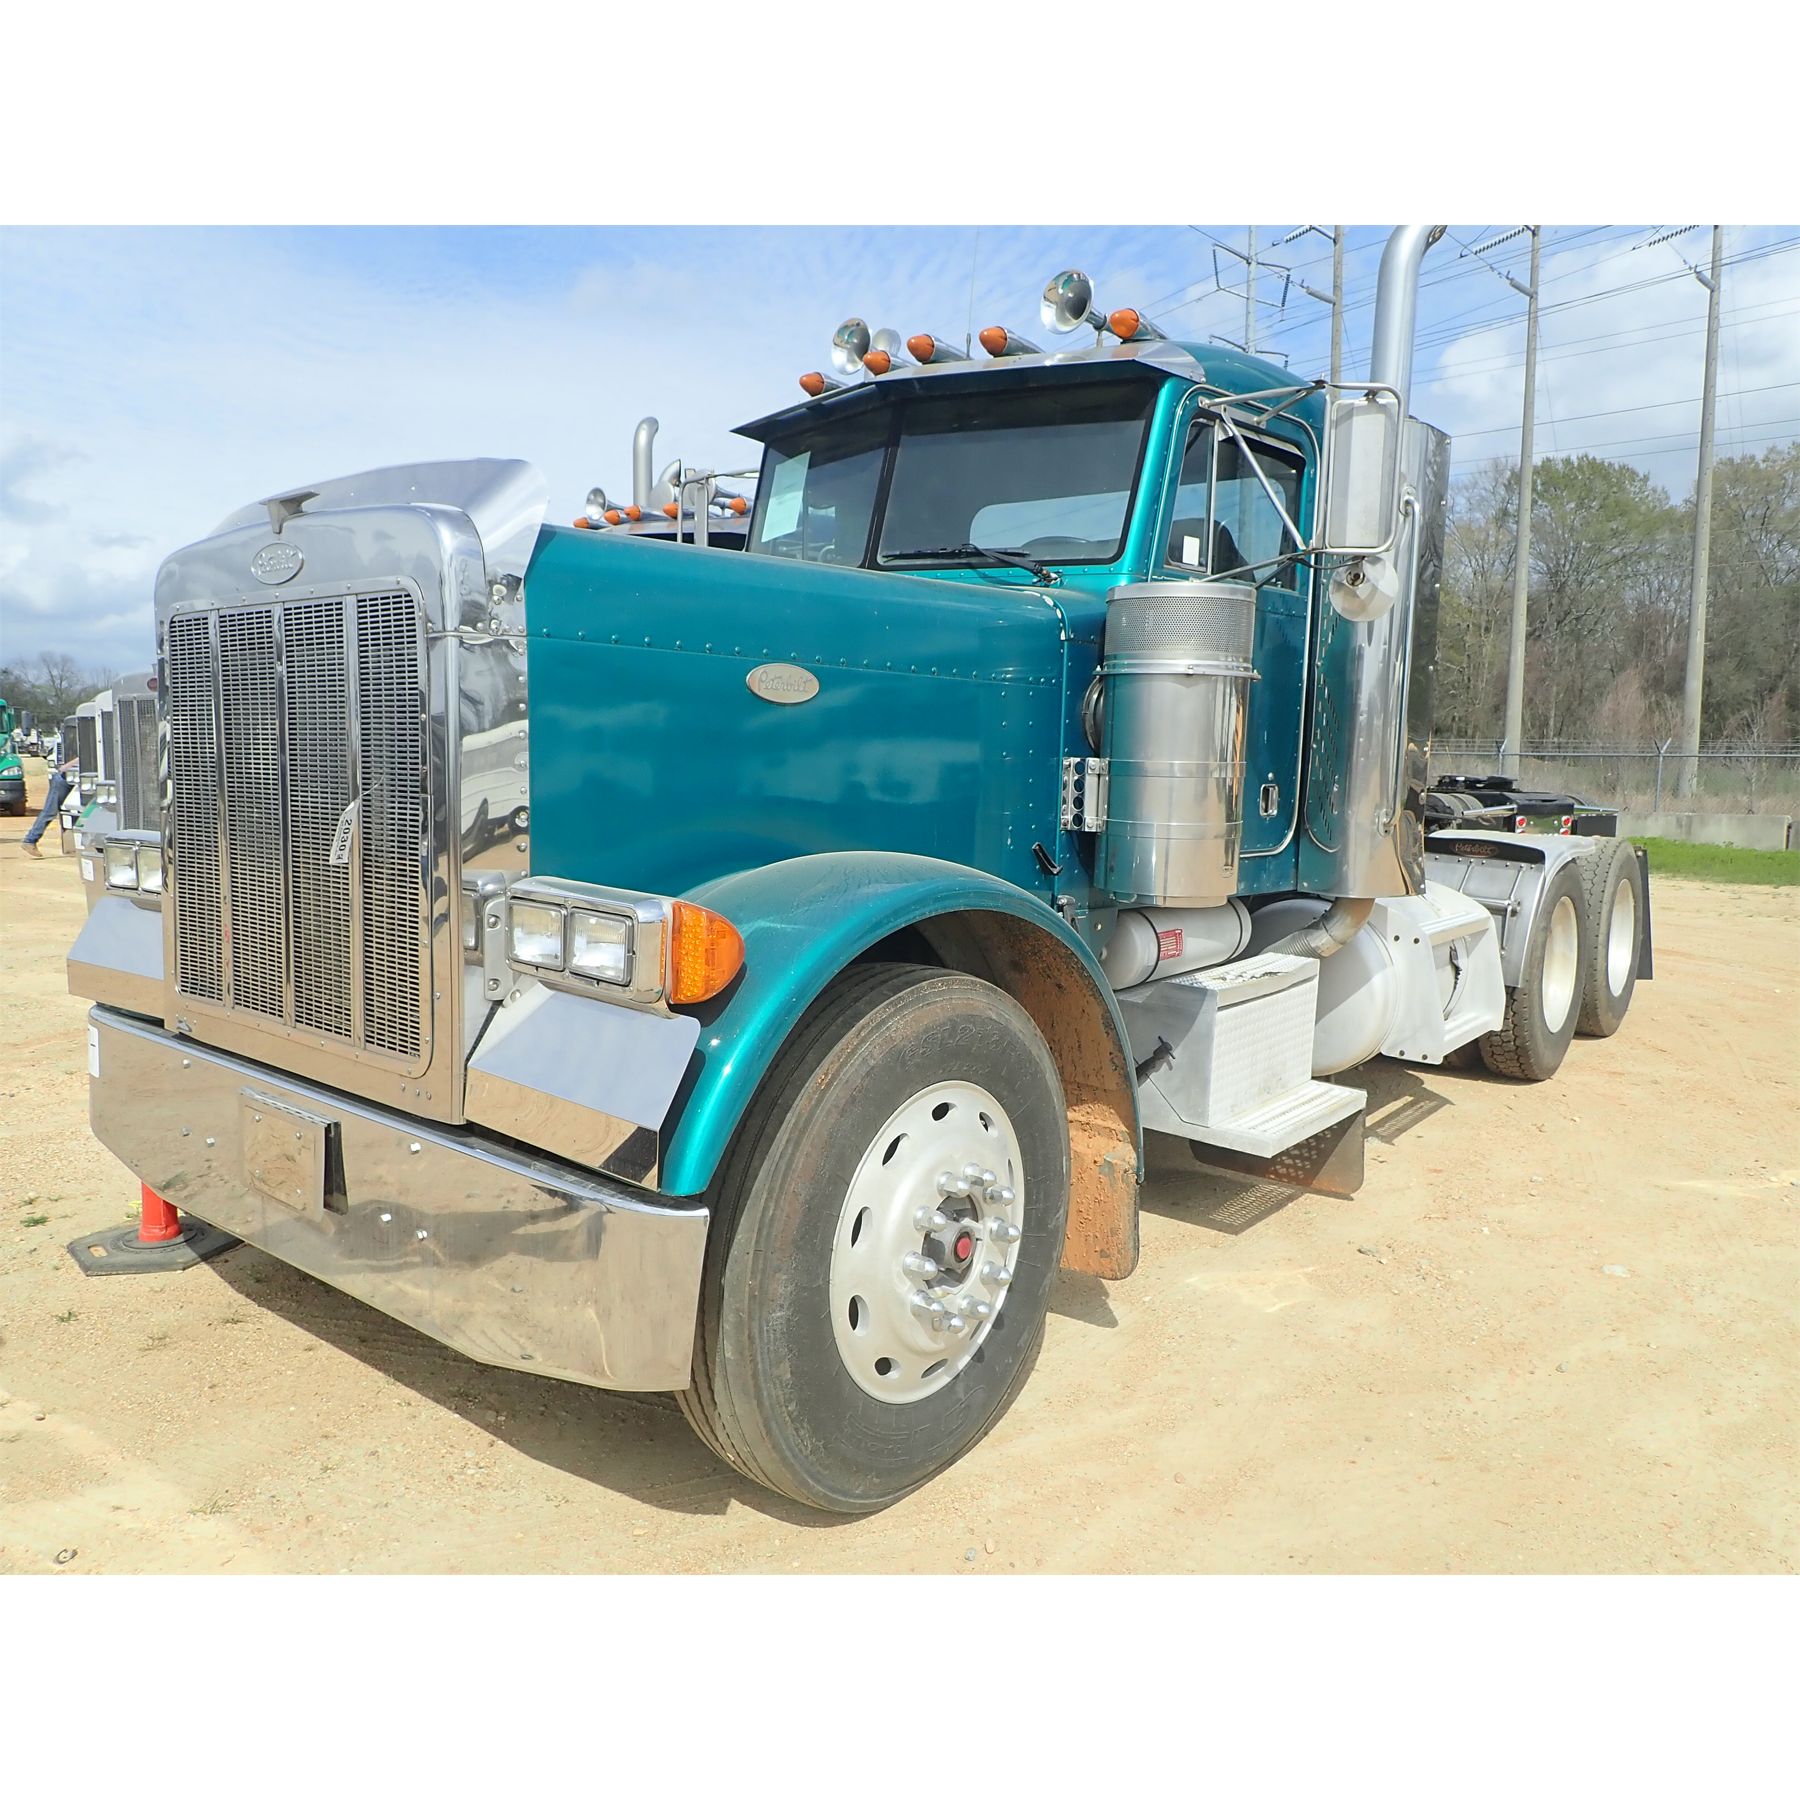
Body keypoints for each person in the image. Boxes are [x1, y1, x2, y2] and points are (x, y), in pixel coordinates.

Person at [21, 754, 78, 858]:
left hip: (66, 779)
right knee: (50, 811)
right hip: (63, 780)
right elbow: (65, 768)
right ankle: (30, 840)